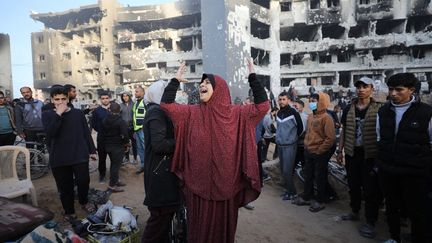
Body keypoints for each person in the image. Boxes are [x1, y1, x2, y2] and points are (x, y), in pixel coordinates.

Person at [160, 59, 269, 243]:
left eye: (208, 82)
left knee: (222, 234)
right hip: (198, 188)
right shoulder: (191, 113)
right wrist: (175, 81)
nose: (202, 85)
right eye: (201, 83)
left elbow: (262, 106)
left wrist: (253, 78)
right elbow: (166, 106)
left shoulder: (237, 114)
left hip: (226, 189)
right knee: (198, 233)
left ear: (220, 89)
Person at [376, 73, 432, 243]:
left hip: (415, 173)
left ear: (411, 90)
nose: (393, 94)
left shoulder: (426, 113)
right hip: (389, 170)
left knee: (418, 211)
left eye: (399, 90)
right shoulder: (383, 111)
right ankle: (394, 238)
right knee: (392, 208)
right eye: (391, 89)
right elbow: (380, 138)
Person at [42, 85, 97, 222]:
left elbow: (86, 133)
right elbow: (50, 134)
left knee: (84, 182)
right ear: (52, 100)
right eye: (57, 99)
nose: (60, 102)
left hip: (79, 155)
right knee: (65, 187)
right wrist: (58, 114)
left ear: (68, 99)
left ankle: (84, 201)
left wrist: (92, 150)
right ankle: (69, 211)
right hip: (59, 158)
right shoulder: (48, 115)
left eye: (63, 99)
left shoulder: (78, 113)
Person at [336, 76, 382, 239]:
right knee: (353, 185)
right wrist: (339, 150)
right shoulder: (349, 108)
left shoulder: (379, 108)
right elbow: (344, 130)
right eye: (359, 86)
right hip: (352, 153)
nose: (361, 89)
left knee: (370, 189)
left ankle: (370, 221)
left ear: (372, 89)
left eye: (365, 86)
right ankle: (354, 211)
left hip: (370, 155)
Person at [141, 80, 181, 243]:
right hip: (160, 176)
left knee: (163, 223)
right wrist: (181, 141)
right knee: (158, 222)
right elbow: (159, 145)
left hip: (161, 172)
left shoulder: (157, 111)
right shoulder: (156, 112)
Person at [292, 92, 335, 212]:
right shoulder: (310, 117)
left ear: (321, 102)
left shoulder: (327, 118)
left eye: (314, 101)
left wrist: (320, 150)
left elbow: (330, 138)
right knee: (308, 174)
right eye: (310, 100)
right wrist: (306, 144)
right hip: (309, 150)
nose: (311, 103)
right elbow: (308, 133)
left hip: (320, 152)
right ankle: (307, 196)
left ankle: (320, 200)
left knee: (320, 176)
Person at [275, 91, 303, 201]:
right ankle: (288, 191)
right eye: (280, 99)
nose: (281, 101)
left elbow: (300, 128)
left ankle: (293, 193)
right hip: (280, 145)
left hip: (290, 146)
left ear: (288, 100)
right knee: (283, 170)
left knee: (287, 170)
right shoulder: (278, 113)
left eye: (284, 99)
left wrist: (293, 139)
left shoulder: (293, 112)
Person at [102, 102, 129, 192]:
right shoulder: (121, 121)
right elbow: (125, 135)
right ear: (119, 110)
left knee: (113, 164)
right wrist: (126, 144)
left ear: (109, 110)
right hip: (117, 147)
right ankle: (112, 186)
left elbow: (102, 133)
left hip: (107, 146)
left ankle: (115, 180)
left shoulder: (105, 120)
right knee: (115, 166)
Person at [91, 92, 111, 183]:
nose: (105, 100)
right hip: (102, 138)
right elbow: (93, 124)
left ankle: (114, 176)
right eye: (103, 98)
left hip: (113, 139)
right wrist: (101, 129)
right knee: (102, 158)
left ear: (109, 98)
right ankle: (102, 175)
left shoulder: (114, 108)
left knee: (114, 158)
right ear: (100, 99)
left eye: (106, 98)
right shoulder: (96, 111)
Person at [120, 92, 137, 164]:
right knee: (125, 143)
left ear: (129, 96)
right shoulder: (120, 105)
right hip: (124, 128)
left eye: (127, 96)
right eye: (124, 96)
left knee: (134, 143)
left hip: (133, 127)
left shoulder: (134, 105)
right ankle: (127, 158)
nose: (125, 97)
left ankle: (135, 158)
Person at [132, 86, 146, 174]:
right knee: (140, 149)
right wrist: (134, 130)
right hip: (137, 130)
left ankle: (149, 166)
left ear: (142, 92)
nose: (135, 93)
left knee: (146, 148)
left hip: (143, 130)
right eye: (135, 91)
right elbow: (135, 117)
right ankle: (143, 166)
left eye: (137, 92)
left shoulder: (146, 102)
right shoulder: (136, 103)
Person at [293, 99, 308, 168]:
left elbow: (304, 130)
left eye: (296, 106)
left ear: (301, 106)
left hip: (302, 143)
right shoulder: (294, 116)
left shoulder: (305, 117)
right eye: (294, 106)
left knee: (302, 160)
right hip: (295, 142)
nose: (294, 107)